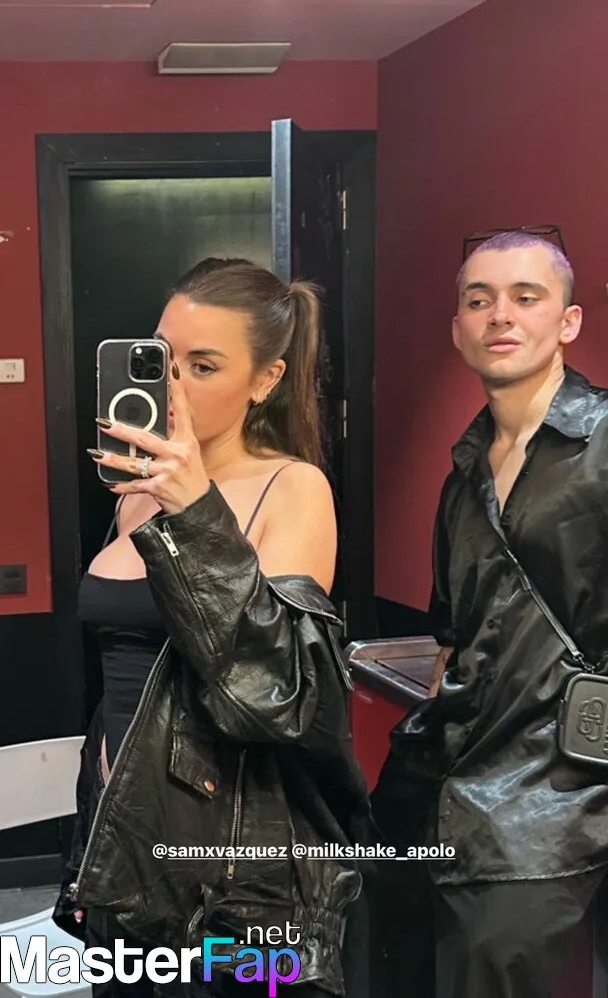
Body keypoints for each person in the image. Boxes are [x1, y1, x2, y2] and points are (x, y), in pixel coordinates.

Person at [53, 257, 370, 997]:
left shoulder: (293, 488)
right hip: (121, 841)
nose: (173, 384)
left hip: (228, 869)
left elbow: (277, 689)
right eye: (163, 357)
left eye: (203, 366)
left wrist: (196, 511)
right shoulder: (135, 493)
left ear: (265, 379)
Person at [371, 231, 608, 998]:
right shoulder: (465, 469)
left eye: (525, 297)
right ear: (458, 329)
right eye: (479, 300)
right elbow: (452, 637)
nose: (499, 314)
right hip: (445, 775)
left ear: (567, 322)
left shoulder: (604, 443)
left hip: (563, 794)